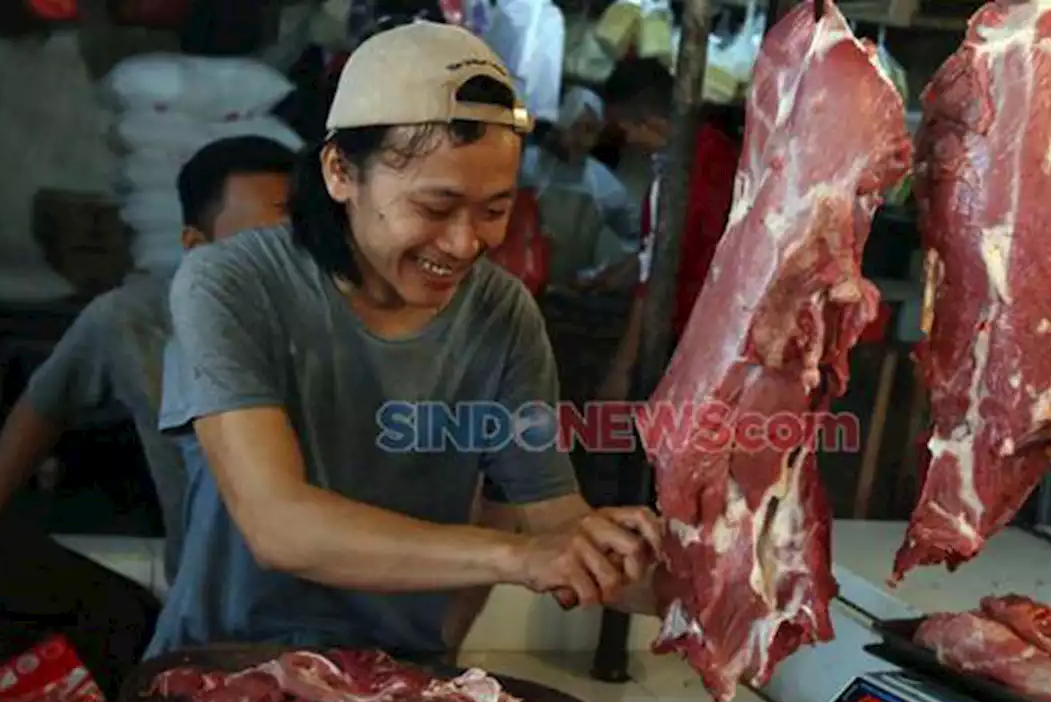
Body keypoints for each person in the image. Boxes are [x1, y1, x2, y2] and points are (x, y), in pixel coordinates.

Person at [146, 21, 664, 662]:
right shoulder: (230, 284)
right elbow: (278, 525)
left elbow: (553, 520)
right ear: (340, 170)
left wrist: (684, 576)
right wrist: (516, 556)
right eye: (436, 207)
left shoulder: (502, 313)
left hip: (395, 688)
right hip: (220, 676)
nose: (464, 243)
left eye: (494, 209)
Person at [0, 136, 295, 587]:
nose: (294, 258)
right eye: (268, 242)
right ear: (197, 247)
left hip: (352, 609)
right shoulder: (137, 321)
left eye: (309, 237)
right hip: (212, 609)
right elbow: (44, 404)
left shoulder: (351, 322)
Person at [596, 58, 743, 400]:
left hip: (686, 341)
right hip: (721, 335)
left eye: (626, 129)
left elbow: (651, 289)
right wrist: (629, 267)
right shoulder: (719, 148)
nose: (628, 140)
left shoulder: (674, 177)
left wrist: (621, 370)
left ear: (648, 124)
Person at [518, 85, 641, 293]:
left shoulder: (603, 185)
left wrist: (607, 274)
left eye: (591, 131)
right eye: (576, 127)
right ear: (560, 124)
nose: (582, 139)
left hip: (568, 298)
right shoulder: (522, 166)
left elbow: (638, 237)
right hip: (514, 290)